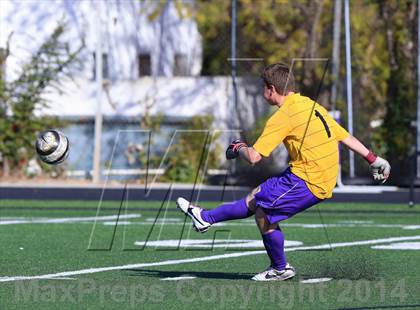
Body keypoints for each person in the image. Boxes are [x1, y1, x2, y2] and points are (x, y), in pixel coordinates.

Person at [176, 63, 391, 281]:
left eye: (263, 87)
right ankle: (205, 218)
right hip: (313, 173)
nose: (263, 92)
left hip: (309, 179)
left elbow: (254, 157)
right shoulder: (311, 105)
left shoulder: (283, 115)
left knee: (263, 215)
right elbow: (345, 137)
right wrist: (374, 159)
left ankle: (280, 268)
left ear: (271, 89)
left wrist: (238, 147)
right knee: (255, 197)